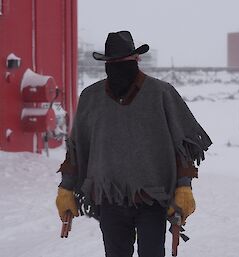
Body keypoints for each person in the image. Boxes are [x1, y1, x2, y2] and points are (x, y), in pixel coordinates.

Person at [55, 30, 212, 257]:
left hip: (152, 197)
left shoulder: (161, 93)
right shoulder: (91, 98)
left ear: (136, 60)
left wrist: (183, 186)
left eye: (125, 61)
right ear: (107, 64)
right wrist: (66, 188)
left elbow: (182, 146)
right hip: (109, 198)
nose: (119, 66)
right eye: (114, 62)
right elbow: (78, 148)